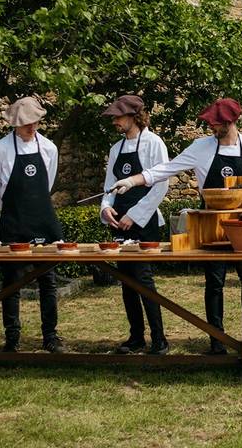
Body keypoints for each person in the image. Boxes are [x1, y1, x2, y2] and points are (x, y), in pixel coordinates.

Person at [111, 98, 242, 355]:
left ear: (231, 122)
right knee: (214, 282)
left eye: (216, 124)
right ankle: (217, 340)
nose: (211, 128)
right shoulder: (201, 147)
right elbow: (166, 169)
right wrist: (132, 181)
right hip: (211, 224)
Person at [0, 96, 64, 353]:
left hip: (43, 221)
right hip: (13, 223)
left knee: (48, 282)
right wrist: (13, 203)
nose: (32, 127)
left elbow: (47, 184)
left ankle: (50, 335)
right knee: (11, 283)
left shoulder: (49, 148)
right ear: (15, 124)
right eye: (27, 123)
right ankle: (12, 336)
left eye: (35, 122)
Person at [100, 95, 170, 355]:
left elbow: (161, 185)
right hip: (118, 221)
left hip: (143, 222)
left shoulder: (154, 143)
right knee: (126, 281)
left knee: (143, 279)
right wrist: (106, 207)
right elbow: (109, 185)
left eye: (118, 117)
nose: (115, 122)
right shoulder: (115, 149)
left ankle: (159, 339)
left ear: (133, 116)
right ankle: (136, 337)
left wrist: (135, 215)